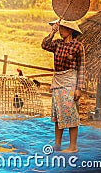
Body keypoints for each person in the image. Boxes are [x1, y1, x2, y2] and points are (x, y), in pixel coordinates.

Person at [42, 19, 85, 153]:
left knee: (71, 113)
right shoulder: (57, 44)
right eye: (60, 28)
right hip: (58, 81)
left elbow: (82, 68)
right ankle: (58, 143)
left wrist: (79, 88)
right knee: (58, 114)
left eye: (63, 29)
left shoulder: (78, 46)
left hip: (70, 82)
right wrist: (52, 31)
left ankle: (73, 146)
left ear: (71, 30)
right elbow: (44, 44)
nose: (61, 31)